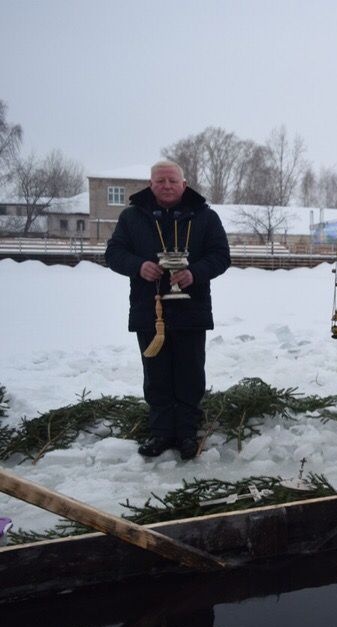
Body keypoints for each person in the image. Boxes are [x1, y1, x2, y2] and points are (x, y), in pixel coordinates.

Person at [105, 161, 230, 460]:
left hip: (191, 309)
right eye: (160, 180)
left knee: (189, 375)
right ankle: (160, 434)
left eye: (172, 180)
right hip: (150, 311)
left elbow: (221, 256)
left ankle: (187, 434)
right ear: (150, 184)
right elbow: (113, 253)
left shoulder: (205, 217)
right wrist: (138, 266)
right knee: (156, 375)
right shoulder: (132, 217)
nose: (166, 185)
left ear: (184, 184)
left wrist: (195, 273)